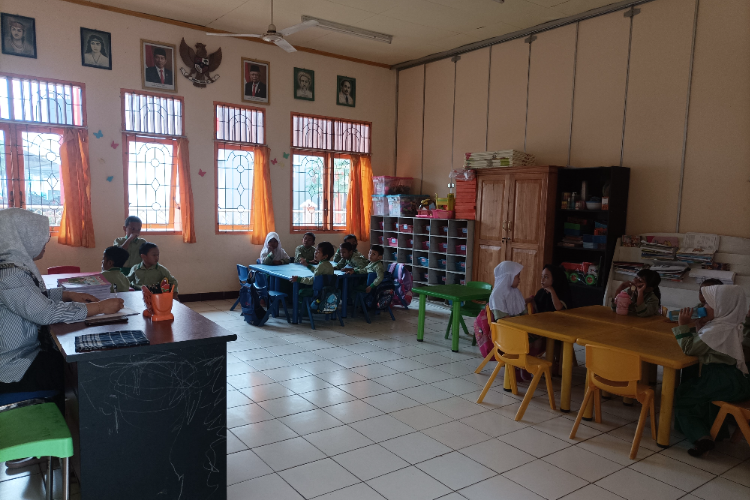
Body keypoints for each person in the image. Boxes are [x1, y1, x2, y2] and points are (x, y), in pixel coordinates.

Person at [0, 210, 124, 425]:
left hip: (21, 354)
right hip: (12, 366)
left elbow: (31, 299)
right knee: (81, 370)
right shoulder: (11, 276)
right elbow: (45, 313)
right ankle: (77, 429)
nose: (44, 245)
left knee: (71, 362)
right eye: (40, 239)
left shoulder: (12, 268)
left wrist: (66, 294)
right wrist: (99, 307)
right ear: (22, 237)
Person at [672, 285, 750, 457]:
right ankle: (715, 432)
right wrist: (700, 328)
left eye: (708, 303)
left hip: (720, 379)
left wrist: (683, 325)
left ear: (721, 306)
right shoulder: (733, 323)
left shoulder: (716, 329)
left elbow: (689, 348)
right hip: (739, 381)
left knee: (684, 397)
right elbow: (711, 345)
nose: (703, 307)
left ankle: (701, 437)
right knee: (703, 398)